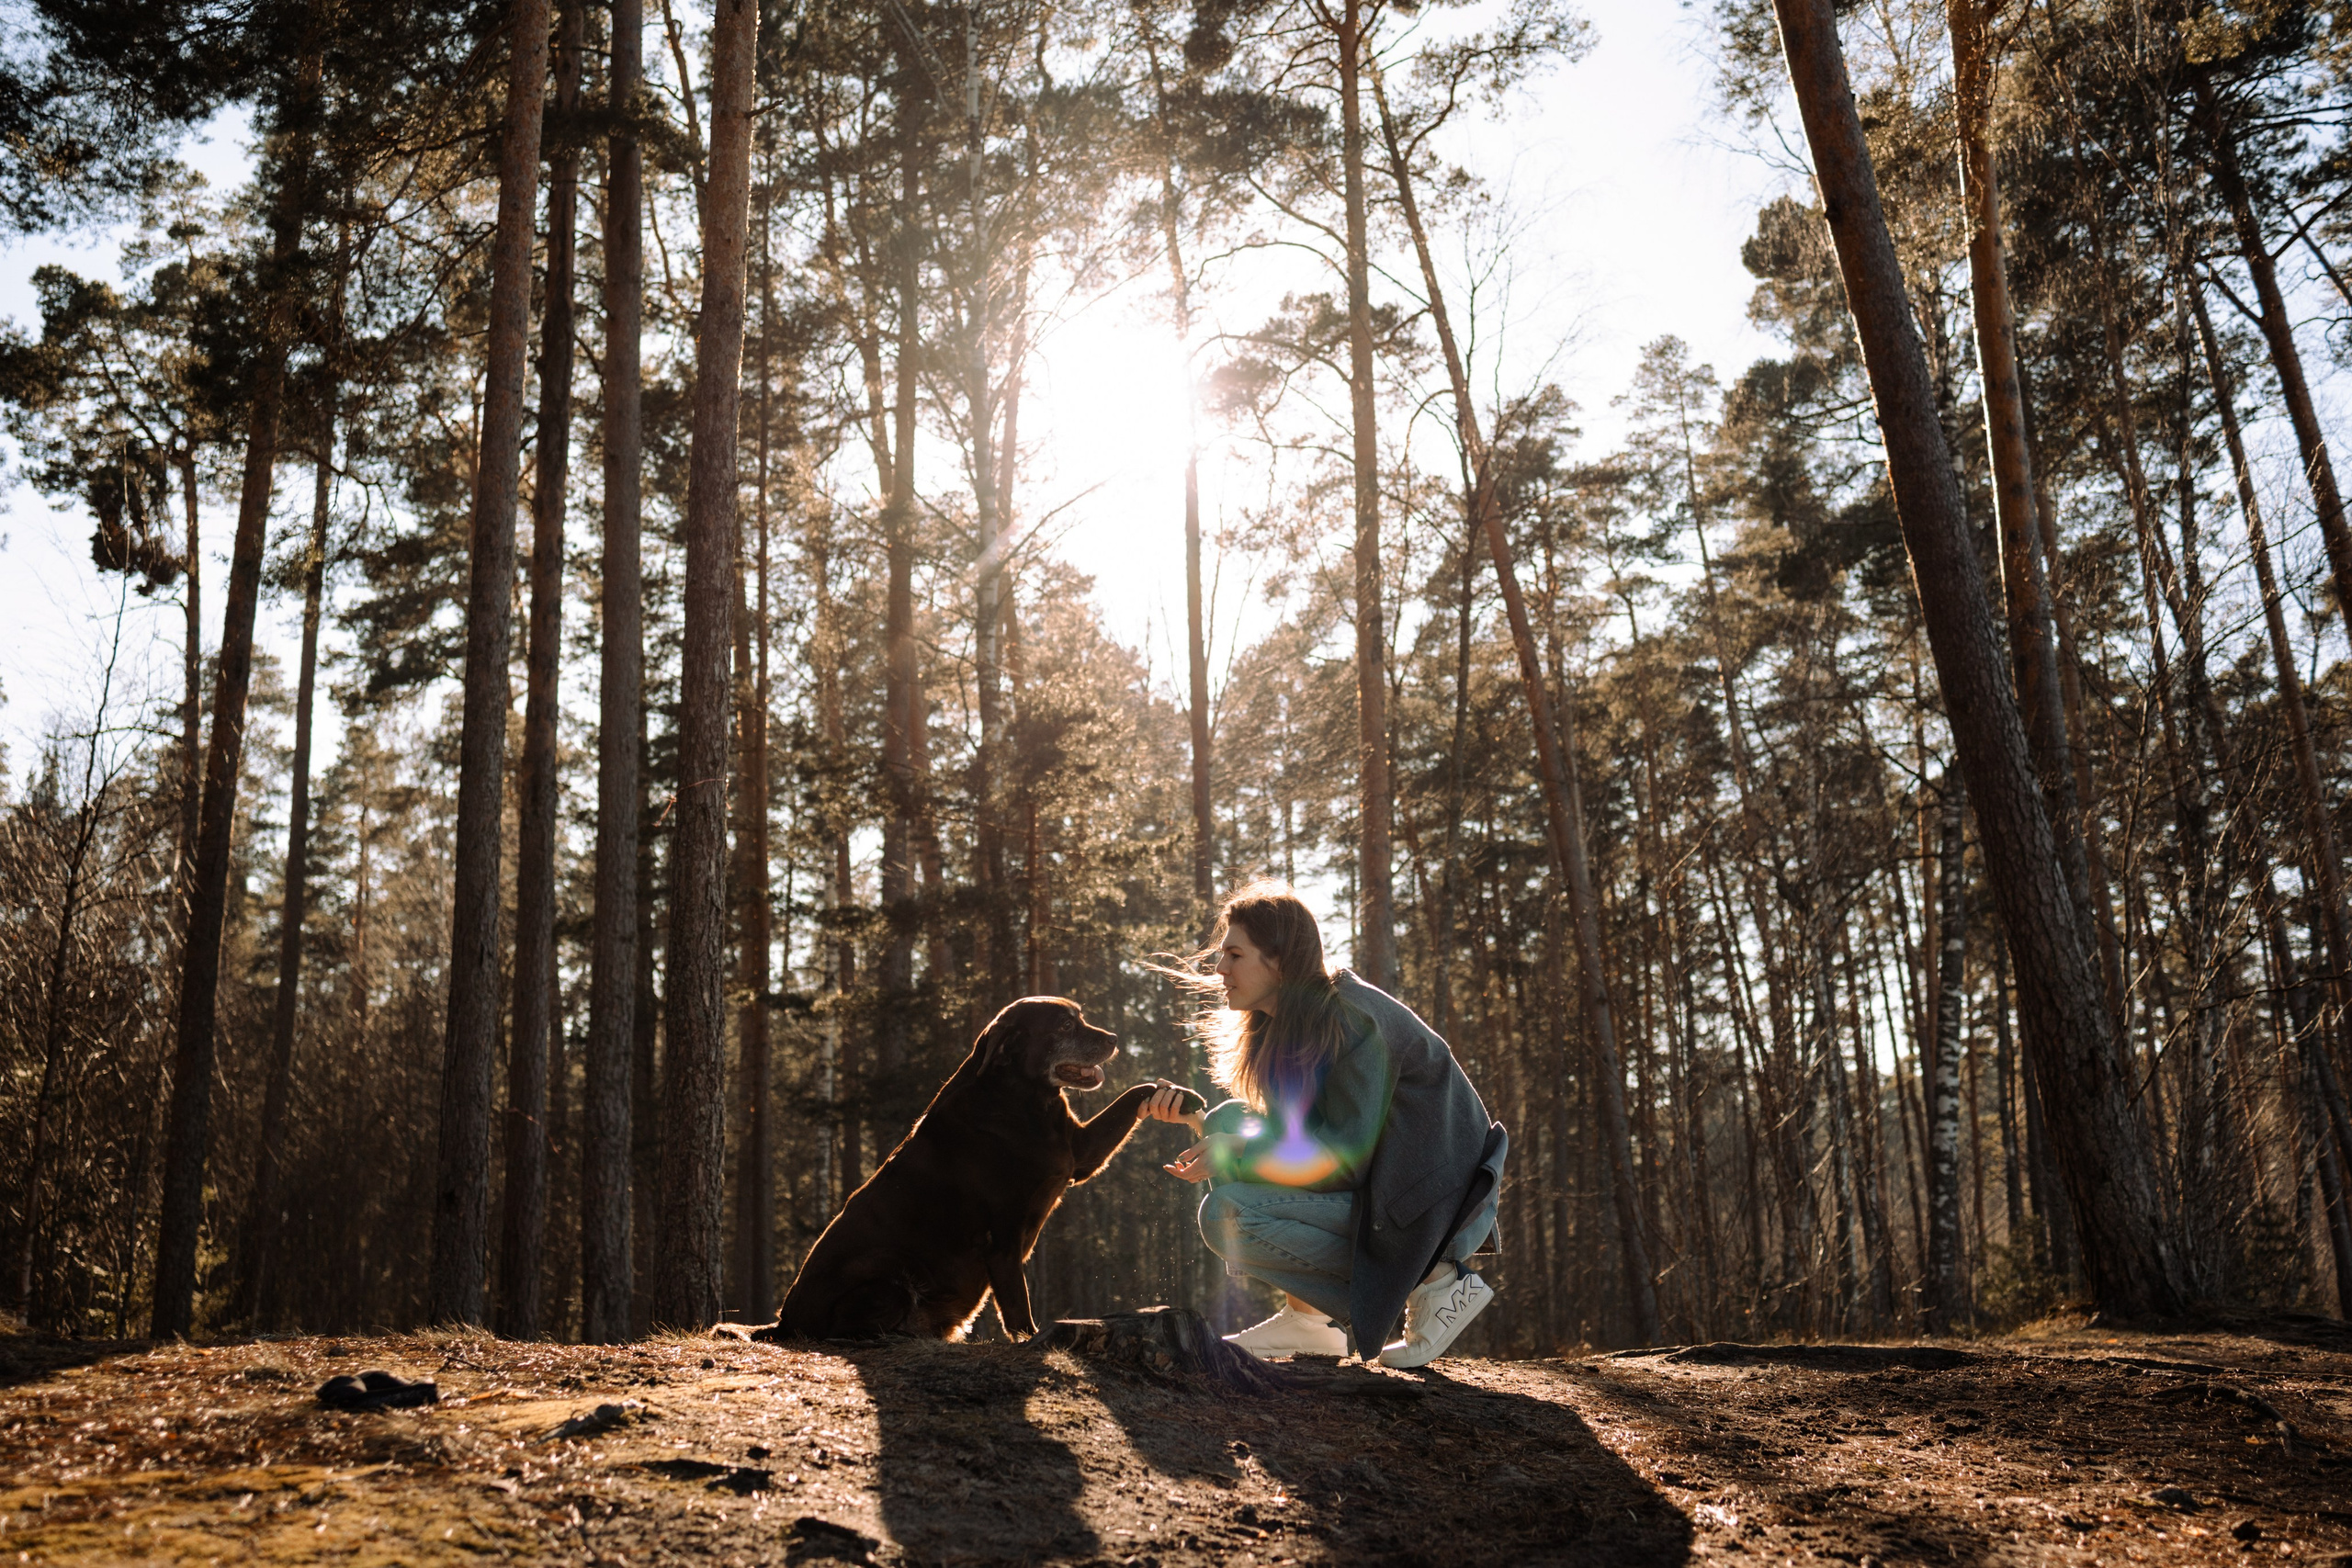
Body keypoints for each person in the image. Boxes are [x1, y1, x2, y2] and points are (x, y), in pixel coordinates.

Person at [1143, 881, 1507, 1367]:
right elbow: (1297, 1141)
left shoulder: (1352, 1019)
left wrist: (1237, 1152)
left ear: (1280, 960)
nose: (1220, 968)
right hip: (1386, 1187)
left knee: (1225, 1214)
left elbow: (1346, 1161)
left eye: (1234, 954)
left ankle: (1439, 1282)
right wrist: (1199, 1122)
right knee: (1227, 1120)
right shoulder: (1287, 1022)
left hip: (1428, 1205)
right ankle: (1309, 1322)